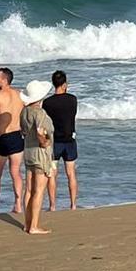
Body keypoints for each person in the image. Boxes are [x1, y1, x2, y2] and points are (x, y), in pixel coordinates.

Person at [0, 67, 27, 216]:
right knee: (16, 172)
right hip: (17, 137)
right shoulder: (20, 94)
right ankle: (18, 204)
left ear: (4, 80)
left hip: (2, 138)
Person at [20, 81, 56, 235]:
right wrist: (45, 142)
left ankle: (27, 223)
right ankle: (33, 226)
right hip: (40, 153)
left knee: (29, 189)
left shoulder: (25, 112)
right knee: (39, 190)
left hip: (28, 150)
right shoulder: (40, 113)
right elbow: (41, 132)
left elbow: (23, 131)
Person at [44, 70, 81, 211]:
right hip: (69, 140)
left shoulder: (47, 103)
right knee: (71, 173)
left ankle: (52, 206)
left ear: (54, 84)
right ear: (64, 84)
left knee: (52, 174)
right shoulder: (72, 99)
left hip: (54, 141)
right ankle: (73, 205)